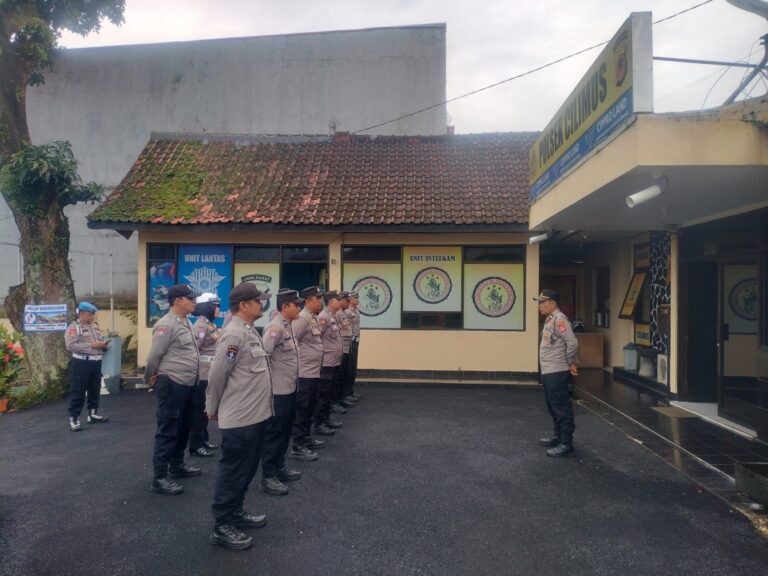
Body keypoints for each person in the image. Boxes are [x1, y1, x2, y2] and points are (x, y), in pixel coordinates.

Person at [206, 282, 272, 551]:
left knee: (247, 469)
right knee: (233, 472)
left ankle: (236, 512)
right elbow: (217, 374)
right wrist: (212, 406)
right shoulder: (234, 334)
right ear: (243, 305)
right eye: (258, 301)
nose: (262, 304)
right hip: (240, 419)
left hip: (254, 415)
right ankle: (221, 526)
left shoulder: (248, 330)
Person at [145, 284, 202, 495]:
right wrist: (150, 379)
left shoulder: (185, 321)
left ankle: (177, 465)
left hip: (187, 383)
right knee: (167, 429)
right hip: (173, 383)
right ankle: (160, 477)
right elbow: (154, 356)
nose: (194, 302)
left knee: (184, 426)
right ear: (178, 301)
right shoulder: (166, 324)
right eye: (190, 298)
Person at [260, 289, 304, 496]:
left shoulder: (288, 326)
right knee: (274, 433)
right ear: (285, 307)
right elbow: (263, 357)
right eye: (296, 305)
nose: (299, 308)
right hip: (278, 391)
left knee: (285, 431)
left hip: (289, 387)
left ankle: (280, 467)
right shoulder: (275, 328)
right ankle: (268, 476)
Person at [534, 289, 579, 457]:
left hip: (557, 371)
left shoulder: (560, 319)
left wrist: (571, 361)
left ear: (552, 303)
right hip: (549, 370)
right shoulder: (551, 318)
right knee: (552, 405)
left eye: (542, 302)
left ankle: (566, 443)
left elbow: (572, 342)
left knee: (561, 407)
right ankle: (558, 436)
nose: (539, 306)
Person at [289, 286, 326, 461]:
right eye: (318, 299)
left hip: (314, 372)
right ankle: (297, 445)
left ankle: (306, 438)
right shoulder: (302, 318)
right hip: (304, 373)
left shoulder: (312, 317)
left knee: (311, 407)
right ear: (308, 301)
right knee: (302, 410)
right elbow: (292, 342)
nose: (321, 302)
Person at [64, 302, 110, 432]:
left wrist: (103, 346)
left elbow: (97, 342)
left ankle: (93, 414)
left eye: (93, 314)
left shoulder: (95, 326)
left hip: (96, 362)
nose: (92, 317)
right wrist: (92, 346)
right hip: (81, 363)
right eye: (90, 314)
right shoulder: (74, 327)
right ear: (82, 313)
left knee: (94, 390)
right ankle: (74, 418)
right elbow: (71, 346)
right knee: (78, 391)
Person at [190, 292, 221, 457]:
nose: (218, 309)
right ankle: (196, 445)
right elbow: (194, 350)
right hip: (202, 374)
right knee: (199, 411)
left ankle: (203, 439)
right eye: (215, 306)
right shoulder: (201, 326)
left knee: (205, 410)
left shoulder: (209, 324)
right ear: (207, 307)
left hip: (209, 373)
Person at [315, 290, 344, 436]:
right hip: (326, 363)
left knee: (329, 393)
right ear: (331, 302)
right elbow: (317, 338)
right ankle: (319, 423)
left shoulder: (332, 316)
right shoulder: (323, 317)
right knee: (323, 394)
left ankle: (326, 418)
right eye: (338, 300)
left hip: (334, 362)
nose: (340, 302)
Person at [333, 291, 356, 412]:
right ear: (340, 301)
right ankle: (335, 401)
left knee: (344, 374)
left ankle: (341, 397)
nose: (349, 302)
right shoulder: (337, 313)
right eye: (347, 301)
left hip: (346, 346)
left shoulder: (343, 312)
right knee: (338, 376)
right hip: (341, 348)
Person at [345, 291, 362, 401]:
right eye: (355, 298)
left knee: (353, 367)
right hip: (350, 341)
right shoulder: (347, 312)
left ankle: (350, 390)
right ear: (350, 299)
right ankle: (346, 392)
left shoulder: (356, 310)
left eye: (357, 297)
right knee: (349, 367)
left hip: (356, 340)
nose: (357, 299)